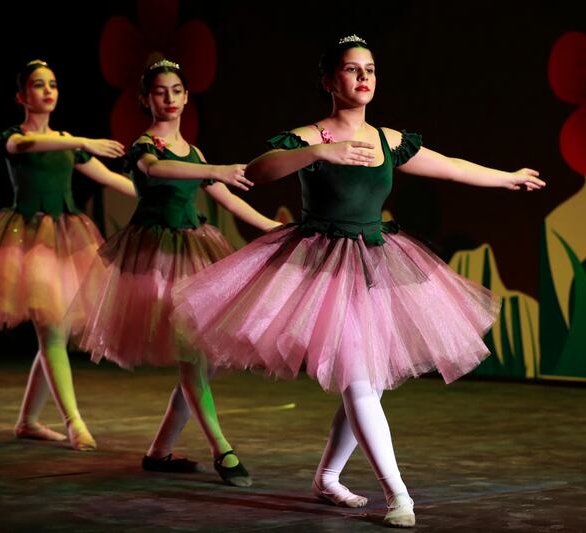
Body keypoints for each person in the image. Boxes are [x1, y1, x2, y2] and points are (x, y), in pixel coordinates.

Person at [171, 35, 544, 526]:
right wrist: (323, 153)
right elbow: (258, 172)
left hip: (374, 262)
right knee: (360, 379)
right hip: (319, 265)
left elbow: (450, 168)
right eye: (351, 70)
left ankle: (328, 477)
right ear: (329, 81)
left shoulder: (389, 140)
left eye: (369, 69)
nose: (363, 77)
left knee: (365, 378)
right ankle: (399, 496)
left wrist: (507, 176)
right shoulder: (309, 137)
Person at [68, 59, 278, 486]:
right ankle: (224, 451)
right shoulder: (146, 146)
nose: (170, 98)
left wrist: (277, 227)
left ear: (186, 96)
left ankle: (160, 451)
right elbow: (157, 170)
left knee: (202, 362)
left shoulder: (194, 153)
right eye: (161, 91)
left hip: (195, 251)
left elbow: (226, 197)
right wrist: (213, 170)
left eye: (177, 90)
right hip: (155, 260)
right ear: (146, 99)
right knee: (194, 360)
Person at [0, 59, 136, 451]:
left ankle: (28, 421)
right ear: (21, 96)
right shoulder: (14, 138)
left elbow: (113, 179)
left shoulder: (68, 143)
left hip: (68, 241)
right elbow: (29, 145)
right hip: (25, 242)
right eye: (38, 85)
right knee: (51, 328)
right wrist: (80, 141)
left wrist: (157, 188)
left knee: (56, 335)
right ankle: (74, 422)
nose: (48, 91)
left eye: (52, 84)